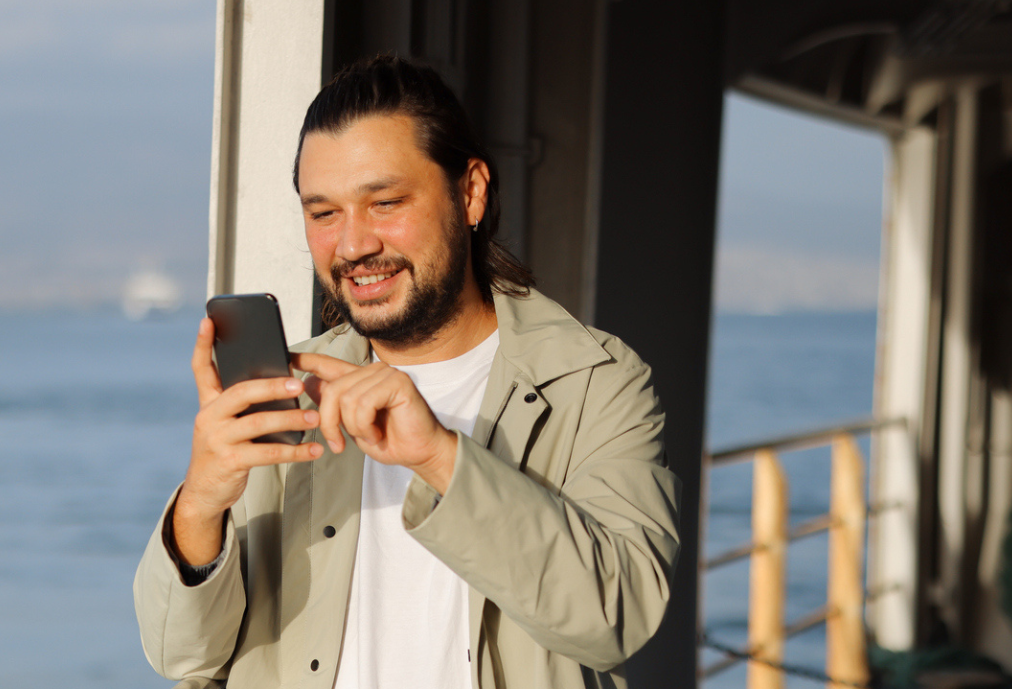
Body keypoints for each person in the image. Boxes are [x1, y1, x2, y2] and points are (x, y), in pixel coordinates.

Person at [133, 55, 680, 689]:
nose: (353, 244)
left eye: (385, 202)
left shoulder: (596, 381)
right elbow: (182, 658)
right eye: (323, 213)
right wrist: (203, 501)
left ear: (470, 193)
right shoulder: (287, 389)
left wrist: (441, 458)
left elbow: (618, 620)